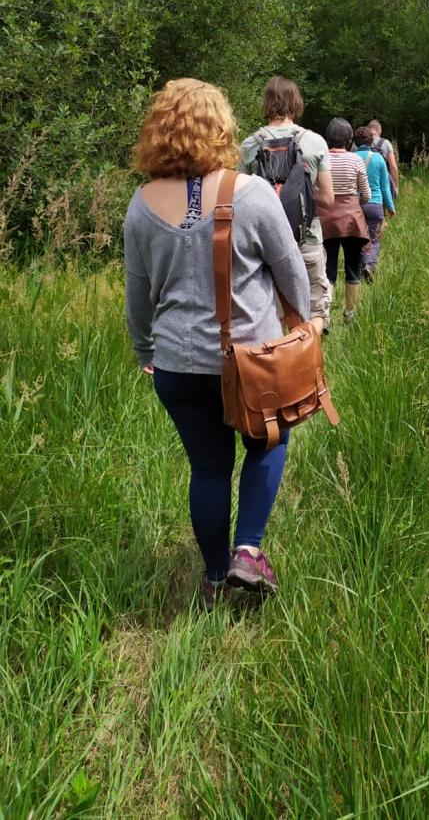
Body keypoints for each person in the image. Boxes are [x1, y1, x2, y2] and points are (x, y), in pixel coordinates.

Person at [124, 78, 310, 608]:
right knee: (269, 442)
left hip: (177, 365)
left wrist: (146, 353)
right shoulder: (249, 192)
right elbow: (292, 274)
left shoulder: (140, 207)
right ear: (221, 128)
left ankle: (210, 579)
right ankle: (246, 552)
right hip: (251, 359)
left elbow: (138, 298)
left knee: (207, 468)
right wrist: (307, 324)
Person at [239, 75, 334, 336]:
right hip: (307, 239)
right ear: (296, 102)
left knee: (272, 316)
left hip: (262, 247)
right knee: (315, 312)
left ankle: (278, 370)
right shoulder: (315, 142)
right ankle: (307, 366)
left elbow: (239, 200)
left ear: (267, 103)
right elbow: (327, 199)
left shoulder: (249, 146)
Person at [317, 117, 370, 324]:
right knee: (353, 267)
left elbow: (315, 190)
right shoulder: (356, 160)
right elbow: (365, 194)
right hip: (351, 221)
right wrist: (355, 201)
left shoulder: (321, 158)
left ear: (327, 138)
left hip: (326, 219)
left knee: (327, 268)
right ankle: (349, 314)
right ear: (349, 139)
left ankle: (325, 314)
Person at [352, 125, 395, 282]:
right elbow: (385, 187)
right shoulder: (379, 159)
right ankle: (369, 265)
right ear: (371, 140)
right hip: (375, 205)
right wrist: (390, 207)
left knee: (357, 238)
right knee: (374, 239)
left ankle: (356, 269)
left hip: (356, 205)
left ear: (355, 142)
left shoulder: (352, 157)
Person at [367, 119, 400, 197]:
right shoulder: (386, 143)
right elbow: (393, 166)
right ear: (380, 131)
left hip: (363, 183)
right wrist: (395, 186)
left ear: (368, 129)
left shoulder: (358, 142)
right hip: (381, 182)